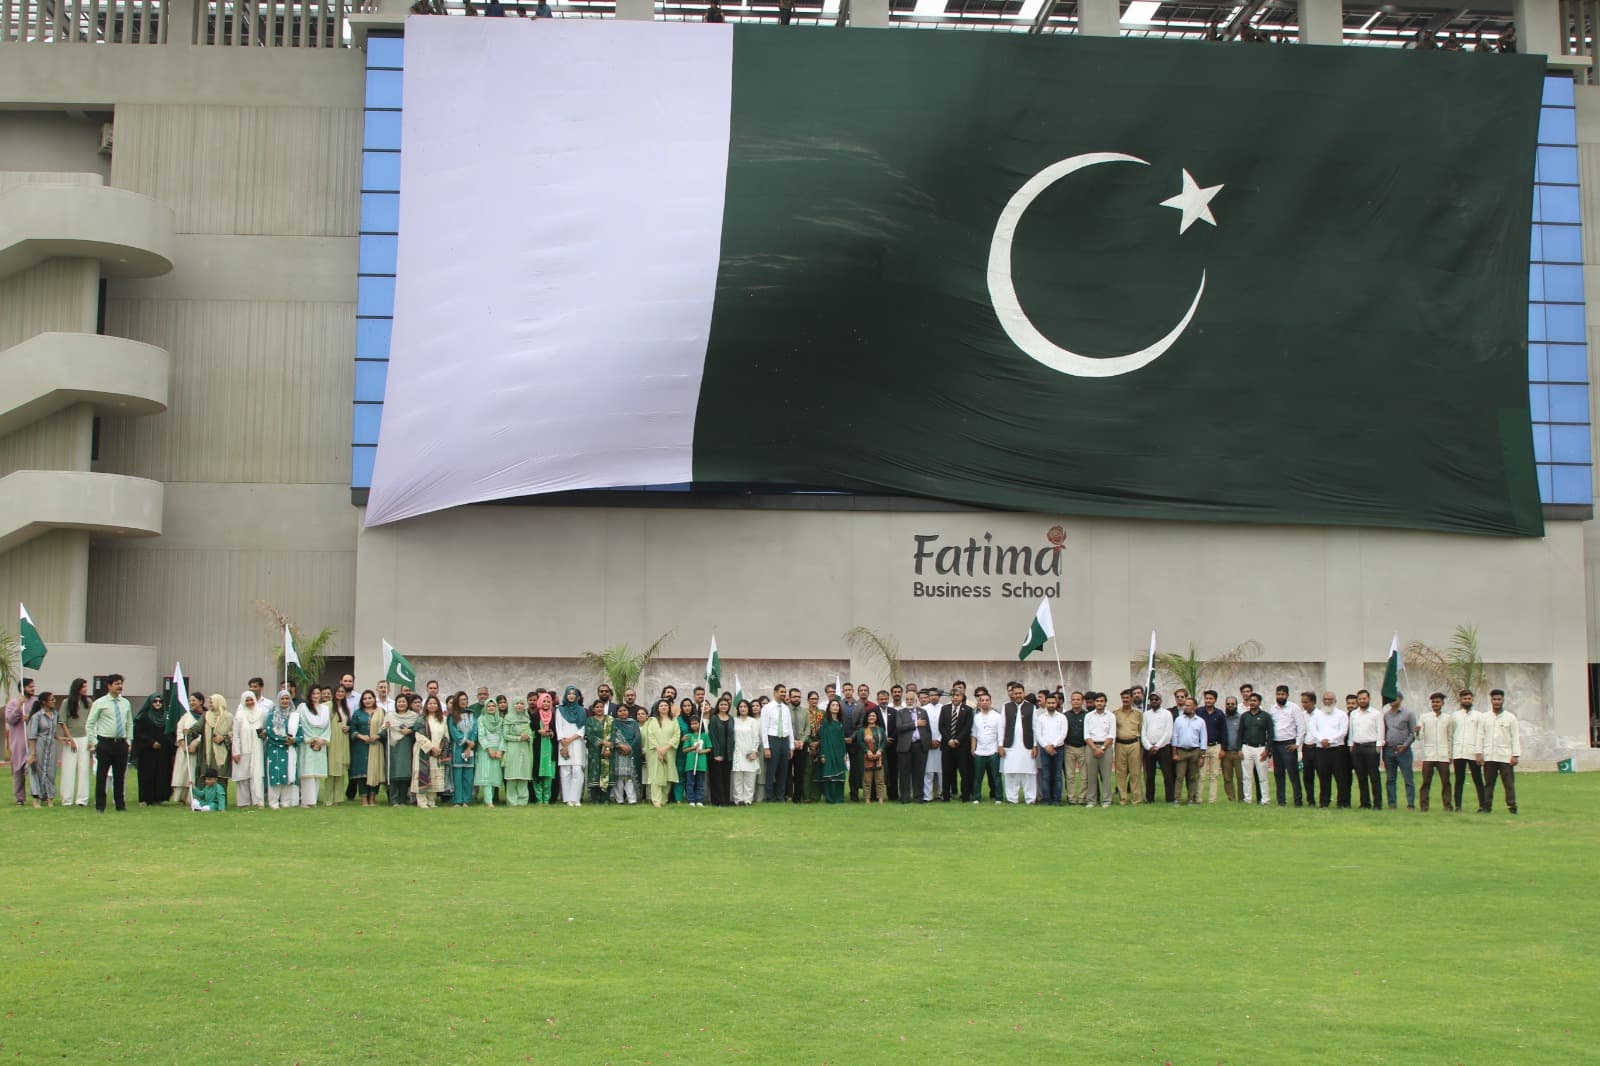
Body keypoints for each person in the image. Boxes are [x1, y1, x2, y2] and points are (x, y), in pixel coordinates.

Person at [84, 675, 133, 813]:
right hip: (105, 742)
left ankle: (120, 804)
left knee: (119, 776)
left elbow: (129, 723)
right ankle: (100, 805)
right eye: (117, 684)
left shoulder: (125, 703)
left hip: (121, 743)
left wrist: (129, 741)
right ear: (109, 685)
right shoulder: (100, 703)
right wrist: (95, 742)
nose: (120, 686)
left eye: (121, 683)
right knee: (102, 776)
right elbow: (90, 724)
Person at [1306, 691, 1349, 809]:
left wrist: (1329, 740)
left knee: (1340, 777)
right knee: (1323, 777)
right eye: (1325, 699)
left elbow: (1343, 731)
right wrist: (1321, 739)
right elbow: (1313, 729)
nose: (1327, 701)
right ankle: (1324, 802)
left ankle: (1342, 802)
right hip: (1321, 750)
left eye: (1330, 699)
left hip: (1337, 749)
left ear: (1335, 701)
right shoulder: (1317, 715)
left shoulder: (1341, 714)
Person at [1479, 688, 1519, 815]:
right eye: (1494, 699)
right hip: (1489, 756)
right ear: (1491, 700)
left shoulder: (1510, 718)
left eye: (1499, 699)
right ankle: (1486, 807)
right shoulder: (1484, 717)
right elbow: (1480, 735)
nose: (1497, 702)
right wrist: (1479, 753)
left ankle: (1512, 807)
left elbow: (1515, 737)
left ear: (1503, 700)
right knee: (1489, 784)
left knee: (1508, 784)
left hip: (1505, 757)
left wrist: (1515, 755)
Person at [1415, 692, 1455, 813]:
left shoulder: (1448, 718)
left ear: (1442, 703)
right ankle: (1424, 806)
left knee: (1446, 782)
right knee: (1426, 782)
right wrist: (1416, 732)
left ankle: (1447, 806)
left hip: (1443, 755)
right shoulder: (1424, 717)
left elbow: (1450, 737)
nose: (1435, 704)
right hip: (1429, 755)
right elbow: (1419, 737)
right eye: (1433, 702)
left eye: (1437, 702)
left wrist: (1450, 754)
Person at [263, 691, 303, 809]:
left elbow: (301, 735)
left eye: (287, 698)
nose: (285, 701)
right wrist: (284, 740)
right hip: (275, 750)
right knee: (275, 775)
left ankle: (285, 802)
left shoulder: (295, 717)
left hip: (290, 750)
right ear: (278, 701)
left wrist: (294, 740)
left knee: (288, 775)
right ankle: (273, 802)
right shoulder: (272, 716)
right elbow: (269, 733)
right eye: (282, 699)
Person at [1450, 690, 1487, 814]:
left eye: (1469, 698)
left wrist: (1479, 753)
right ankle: (1458, 806)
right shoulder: (1455, 716)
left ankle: (1482, 805)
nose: (1467, 700)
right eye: (1465, 698)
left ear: (1472, 700)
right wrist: (1451, 753)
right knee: (1459, 780)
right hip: (1458, 752)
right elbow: (1452, 734)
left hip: (1473, 752)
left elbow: (1481, 735)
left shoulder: (1478, 716)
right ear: (1461, 700)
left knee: (1478, 779)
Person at [57, 678, 93, 807]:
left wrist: (90, 739)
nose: (85, 689)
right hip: (70, 739)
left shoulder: (88, 702)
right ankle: (67, 799)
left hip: (84, 738)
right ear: (77, 688)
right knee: (68, 768)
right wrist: (70, 739)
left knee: (84, 769)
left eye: (86, 686)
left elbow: (91, 721)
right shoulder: (67, 702)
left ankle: (82, 799)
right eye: (83, 686)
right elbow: (62, 722)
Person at [1267, 685, 1304, 807]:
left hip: (1289, 744)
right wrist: (1270, 746)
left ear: (1287, 695)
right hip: (1276, 744)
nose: (1280, 696)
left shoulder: (1294, 708)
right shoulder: (1273, 709)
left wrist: (1297, 744)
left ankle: (1298, 801)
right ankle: (1281, 801)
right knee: (1278, 774)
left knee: (1293, 774)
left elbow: (1301, 726)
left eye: (1282, 694)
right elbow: (1271, 728)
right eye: (1278, 694)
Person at [131, 694, 171, 806]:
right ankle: (145, 798)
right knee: (146, 774)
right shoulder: (144, 717)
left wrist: (163, 743)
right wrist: (151, 742)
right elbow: (139, 733)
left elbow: (169, 733)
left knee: (161, 774)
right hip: (147, 751)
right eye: (155, 701)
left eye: (160, 701)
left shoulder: (166, 717)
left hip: (163, 751)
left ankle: (158, 798)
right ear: (150, 703)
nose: (158, 703)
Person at [999, 684, 1036, 805]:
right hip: (1010, 746)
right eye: (1015, 693)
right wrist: (1000, 745)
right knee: (1010, 773)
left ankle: (1030, 799)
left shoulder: (1031, 707)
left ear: (1024, 693)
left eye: (1020, 693)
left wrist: (1035, 745)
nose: (1018, 695)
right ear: (1012, 694)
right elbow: (1002, 726)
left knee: (1028, 774)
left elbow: (1035, 727)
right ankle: (1011, 799)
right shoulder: (1006, 707)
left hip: (1027, 746)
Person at [411, 696, 450, 809]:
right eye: (430, 703)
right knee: (423, 775)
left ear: (438, 705)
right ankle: (422, 801)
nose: (432, 705)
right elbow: (418, 735)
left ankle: (431, 801)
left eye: (434, 703)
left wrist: (440, 749)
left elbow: (446, 736)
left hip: (438, 752)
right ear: (426, 705)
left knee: (434, 776)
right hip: (423, 751)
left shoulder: (443, 719)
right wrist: (431, 748)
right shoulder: (421, 719)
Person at [1347, 691, 1384, 809]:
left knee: (1374, 777)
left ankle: (1377, 803)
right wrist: (1350, 744)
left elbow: (1381, 730)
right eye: (1360, 699)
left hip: (1371, 747)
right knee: (1361, 777)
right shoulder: (1354, 714)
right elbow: (1351, 730)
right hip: (1357, 747)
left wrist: (1379, 745)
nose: (1362, 701)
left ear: (1369, 699)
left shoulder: (1376, 713)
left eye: (1364, 698)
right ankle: (1365, 803)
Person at [1237, 693, 1274, 806]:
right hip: (1247, 748)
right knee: (1246, 776)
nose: (1252, 702)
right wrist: (1239, 749)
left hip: (1260, 748)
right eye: (1250, 701)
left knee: (1262, 776)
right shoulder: (1244, 716)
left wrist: (1267, 750)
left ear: (1259, 702)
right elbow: (1240, 733)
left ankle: (1265, 799)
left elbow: (1271, 734)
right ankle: (1247, 799)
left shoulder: (1266, 716)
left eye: (1255, 701)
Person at [1382, 693, 1417, 810]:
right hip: (1389, 751)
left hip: (1404, 751)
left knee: (1408, 778)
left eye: (1394, 698)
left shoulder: (1408, 714)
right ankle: (1392, 804)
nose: (1392, 700)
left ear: (1401, 699)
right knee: (1390, 779)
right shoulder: (1386, 715)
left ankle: (1410, 804)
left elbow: (1413, 733)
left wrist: (1405, 745)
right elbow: (1384, 732)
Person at [347, 690, 383, 807]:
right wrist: (361, 736)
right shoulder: (357, 713)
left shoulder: (381, 712)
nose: (367, 700)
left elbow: (385, 728)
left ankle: (372, 797)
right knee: (362, 772)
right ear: (362, 701)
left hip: (376, 745)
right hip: (360, 746)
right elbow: (352, 729)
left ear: (374, 699)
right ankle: (363, 798)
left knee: (374, 770)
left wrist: (377, 736)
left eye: (370, 698)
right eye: (365, 699)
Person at [643, 698, 680, 807]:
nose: (663, 707)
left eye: (665, 705)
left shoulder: (674, 721)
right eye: (661, 706)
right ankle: (656, 801)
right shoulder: (652, 721)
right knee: (656, 776)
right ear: (658, 708)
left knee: (668, 776)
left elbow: (676, 736)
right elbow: (650, 736)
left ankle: (664, 800)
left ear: (669, 708)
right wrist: (659, 749)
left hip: (669, 752)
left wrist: (665, 749)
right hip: (655, 753)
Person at [1169, 697, 1207, 804]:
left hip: (1195, 751)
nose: (1186, 707)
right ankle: (1177, 799)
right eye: (1185, 705)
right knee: (1179, 776)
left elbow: (1203, 739)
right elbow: (1175, 737)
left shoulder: (1200, 721)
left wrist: (1202, 756)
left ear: (1195, 707)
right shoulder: (1178, 720)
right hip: (1181, 751)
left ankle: (1191, 798)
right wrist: (1174, 753)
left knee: (1192, 777)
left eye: (1189, 705)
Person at [555, 686, 588, 807]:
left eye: (574, 694)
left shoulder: (582, 710)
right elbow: (558, 727)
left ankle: (576, 798)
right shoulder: (560, 710)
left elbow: (583, 728)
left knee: (577, 770)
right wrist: (563, 741)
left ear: (577, 697)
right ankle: (568, 799)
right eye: (569, 693)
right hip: (563, 743)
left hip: (577, 742)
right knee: (565, 771)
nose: (571, 696)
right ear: (566, 695)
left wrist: (571, 739)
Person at [1140, 690, 1174, 804]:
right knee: (1150, 775)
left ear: (1160, 701)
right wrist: (1149, 746)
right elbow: (1143, 732)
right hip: (1149, 748)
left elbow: (1168, 732)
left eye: (1156, 699)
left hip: (1163, 747)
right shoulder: (1146, 714)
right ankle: (1150, 798)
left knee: (1167, 774)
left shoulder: (1167, 714)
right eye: (1152, 699)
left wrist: (1158, 746)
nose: (1154, 701)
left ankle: (1169, 798)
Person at [297, 692, 330, 807]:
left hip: (321, 744)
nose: (316, 696)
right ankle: (306, 801)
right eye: (313, 693)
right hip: (308, 744)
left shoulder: (325, 709)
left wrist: (321, 740)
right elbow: (302, 725)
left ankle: (313, 801)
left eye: (318, 693)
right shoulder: (303, 708)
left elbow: (327, 727)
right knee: (308, 773)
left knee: (316, 774)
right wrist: (313, 739)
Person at [939, 688, 973, 802]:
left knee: (964, 772)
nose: (955, 697)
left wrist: (957, 740)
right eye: (953, 695)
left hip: (962, 746)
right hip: (947, 746)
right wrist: (949, 740)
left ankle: (965, 796)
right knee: (947, 771)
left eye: (958, 695)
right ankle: (946, 796)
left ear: (962, 697)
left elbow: (967, 727)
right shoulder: (944, 709)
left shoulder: (968, 710)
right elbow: (941, 726)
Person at [970, 689, 1003, 804]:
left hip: (993, 751)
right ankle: (976, 797)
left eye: (987, 700)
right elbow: (974, 734)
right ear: (979, 702)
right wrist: (973, 748)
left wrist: (1000, 748)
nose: (984, 702)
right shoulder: (976, 717)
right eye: (982, 700)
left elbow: (1000, 734)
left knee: (996, 777)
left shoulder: (998, 716)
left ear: (990, 702)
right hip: (979, 752)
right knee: (977, 777)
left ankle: (998, 797)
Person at [386, 693, 419, 806]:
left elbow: (417, 728)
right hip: (393, 745)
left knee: (405, 773)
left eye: (403, 701)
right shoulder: (390, 716)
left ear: (407, 703)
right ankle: (394, 800)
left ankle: (402, 799)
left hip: (406, 745)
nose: (401, 704)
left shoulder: (413, 716)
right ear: (396, 704)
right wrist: (386, 727)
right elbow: (382, 729)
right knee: (394, 773)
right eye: (399, 702)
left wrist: (410, 731)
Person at [26, 692, 59, 806]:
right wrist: (33, 754)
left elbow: (53, 732)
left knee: (51, 771)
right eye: (52, 699)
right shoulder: (37, 717)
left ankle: (50, 797)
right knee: (37, 771)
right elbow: (32, 736)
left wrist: (63, 738)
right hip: (40, 746)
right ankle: (36, 798)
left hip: (51, 747)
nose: (54, 701)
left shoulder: (55, 715)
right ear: (44, 702)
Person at [1083, 692, 1115, 808]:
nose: (1099, 703)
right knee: (1091, 776)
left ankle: (1106, 800)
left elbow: (1111, 735)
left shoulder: (1111, 716)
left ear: (1105, 703)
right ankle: (1091, 800)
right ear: (1094, 702)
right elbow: (1086, 735)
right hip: (1091, 747)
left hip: (1106, 747)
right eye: (1097, 701)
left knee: (1106, 775)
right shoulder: (1089, 716)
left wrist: (1102, 748)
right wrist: (1094, 748)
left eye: (1102, 701)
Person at [1035, 692, 1067, 806]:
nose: (1051, 705)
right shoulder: (1041, 718)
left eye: (1053, 702)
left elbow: (1063, 734)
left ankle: (1056, 799)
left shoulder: (1062, 717)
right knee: (1045, 775)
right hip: (1044, 749)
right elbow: (1038, 734)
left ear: (1056, 703)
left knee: (1057, 775)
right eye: (1049, 703)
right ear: (1046, 703)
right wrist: (1046, 746)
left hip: (1058, 749)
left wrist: (1053, 745)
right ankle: (1046, 799)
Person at [5, 679, 33, 806]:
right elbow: (10, 720)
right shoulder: (13, 703)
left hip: (33, 740)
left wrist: (30, 718)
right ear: (23, 688)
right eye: (30, 687)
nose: (33, 689)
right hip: (19, 741)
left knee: (36, 768)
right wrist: (18, 707)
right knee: (18, 770)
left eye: (34, 686)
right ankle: (20, 798)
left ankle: (40, 795)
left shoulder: (36, 702)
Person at [815, 698, 849, 804]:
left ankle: (839, 798)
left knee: (840, 775)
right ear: (829, 708)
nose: (835, 707)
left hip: (839, 752)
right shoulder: (825, 722)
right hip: (829, 751)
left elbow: (842, 739)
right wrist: (823, 754)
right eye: (833, 705)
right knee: (830, 774)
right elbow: (823, 739)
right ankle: (830, 798)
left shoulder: (840, 722)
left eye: (837, 705)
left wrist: (844, 753)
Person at [171, 693, 202, 807]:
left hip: (198, 750)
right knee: (183, 773)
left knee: (194, 773)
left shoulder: (205, 716)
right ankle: (180, 797)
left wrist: (196, 743)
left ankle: (192, 797)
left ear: (201, 702)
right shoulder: (186, 716)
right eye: (190, 700)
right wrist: (183, 745)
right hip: (184, 751)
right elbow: (180, 730)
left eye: (194, 700)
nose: (191, 703)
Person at [500, 696, 532, 806]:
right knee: (512, 776)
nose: (519, 705)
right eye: (517, 703)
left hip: (525, 749)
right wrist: (518, 738)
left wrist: (528, 736)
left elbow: (531, 734)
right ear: (513, 705)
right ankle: (512, 801)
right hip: (512, 749)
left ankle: (523, 801)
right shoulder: (508, 718)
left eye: (521, 703)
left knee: (523, 776)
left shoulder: (526, 718)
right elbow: (505, 735)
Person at [1112, 689, 1142, 805]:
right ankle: (1123, 798)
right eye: (1123, 698)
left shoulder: (1138, 714)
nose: (1125, 700)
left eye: (1127, 698)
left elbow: (1141, 729)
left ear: (1132, 699)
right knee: (1120, 773)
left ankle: (1136, 798)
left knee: (1135, 773)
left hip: (1134, 744)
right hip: (1120, 744)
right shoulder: (1115, 714)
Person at [1197, 691, 1225, 803]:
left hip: (1216, 746)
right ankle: (1198, 798)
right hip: (1202, 747)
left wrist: (1223, 749)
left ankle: (1212, 800)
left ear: (1215, 700)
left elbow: (1223, 732)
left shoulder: (1219, 714)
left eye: (1211, 698)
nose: (1208, 700)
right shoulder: (1199, 712)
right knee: (1201, 774)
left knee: (1214, 775)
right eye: (1206, 698)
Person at [850, 704, 881, 804]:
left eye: (873, 716)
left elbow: (884, 741)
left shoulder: (880, 730)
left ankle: (879, 798)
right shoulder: (861, 730)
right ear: (866, 718)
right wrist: (867, 751)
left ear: (876, 718)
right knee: (867, 779)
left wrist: (880, 750)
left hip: (878, 756)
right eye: (870, 716)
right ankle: (867, 798)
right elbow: (859, 741)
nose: (871, 718)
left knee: (879, 778)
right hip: (865, 756)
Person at [584, 698, 613, 805]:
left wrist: (608, 747)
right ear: (594, 709)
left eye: (601, 707)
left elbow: (613, 734)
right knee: (594, 772)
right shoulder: (590, 721)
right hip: (594, 751)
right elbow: (589, 735)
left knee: (606, 771)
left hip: (608, 751)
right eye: (597, 707)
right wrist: (602, 742)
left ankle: (606, 798)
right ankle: (595, 798)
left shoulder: (609, 720)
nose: (599, 709)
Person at [448, 697, 476, 806]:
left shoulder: (472, 715)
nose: (463, 702)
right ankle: (457, 800)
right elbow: (453, 731)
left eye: (465, 700)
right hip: (458, 747)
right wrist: (465, 741)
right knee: (457, 775)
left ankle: (466, 800)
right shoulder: (452, 716)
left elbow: (474, 730)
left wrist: (470, 745)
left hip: (470, 748)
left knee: (468, 775)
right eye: (461, 700)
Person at [611, 704, 641, 805]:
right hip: (617, 752)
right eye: (620, 711)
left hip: (630, 753)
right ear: (617, 713)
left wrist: (629, 748)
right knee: (618, 777)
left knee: (629, 777)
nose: (622, 712)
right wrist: (620, 746)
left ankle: (632, 799)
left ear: (628, 712)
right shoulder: (613, 723)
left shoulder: (633, 723)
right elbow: (611, 736)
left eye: (624, 710)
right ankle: (619, 799)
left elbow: (637, 737)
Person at [1296, 691, 1322, 806]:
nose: (1303, 704)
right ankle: (1310, 800)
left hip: (1318, 748)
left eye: (1306, 702)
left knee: (1322, 775)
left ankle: (1323, 799)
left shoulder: (1321, 715)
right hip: (1307, 748)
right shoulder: (1302, 715)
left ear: (1313, 702)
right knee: (1307, 776)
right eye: (1302, 702)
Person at [532, 690, 558, 804]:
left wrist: (551, 733)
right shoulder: (535, 715)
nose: (546, 703)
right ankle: (539, 799)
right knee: (538, 774)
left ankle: (546, 799)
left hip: (550, 747)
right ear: (540, 702)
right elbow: (531, 730)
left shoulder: (555, 715)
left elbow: (558, 731)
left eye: (548, 701)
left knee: (549, 775)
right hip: (538, 748)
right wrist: (539, 731)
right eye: (544, 701)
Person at [326, 684, 351, 805]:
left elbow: (347, 722)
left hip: (343, 739)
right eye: (338, 691)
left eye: (342, 691)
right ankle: (329, 799)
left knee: (341, 770)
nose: (340, 693)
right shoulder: (328, 706)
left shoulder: (346, 708)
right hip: (332, 739)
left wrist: (348, 728)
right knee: (332, 770)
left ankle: (338, 798)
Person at [707, 693, 733, 807]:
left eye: (726, 704)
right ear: (718, 706)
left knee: (726, 778)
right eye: (721, 704)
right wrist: (716, 754)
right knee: (717, 779)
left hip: (729, 754)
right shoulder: (714, 718)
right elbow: (713, 736)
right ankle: (718, 801)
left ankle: (726, 801)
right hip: (717, 754)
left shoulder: (731, 719)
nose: (723, 706)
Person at [1218, 696, 1244, 802]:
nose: (1230, 706)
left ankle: (1242, 798)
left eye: (1232, 704)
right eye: (1228, 704)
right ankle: (1231, 798)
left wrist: (1241, 749)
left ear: (1236, 705)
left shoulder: (1241, 718)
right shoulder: (1222, 718)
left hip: (1238, 752)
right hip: (1226, 753)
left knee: (1240, 778)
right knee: (1227, 778)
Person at [681, 710, 709, 806]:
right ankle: (691, 800)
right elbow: (684, 750)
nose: (694, 725)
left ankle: (699, 800)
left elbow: (709, 748)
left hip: (701, 764)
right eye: (692, 724)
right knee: (690, 783)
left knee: (700, 783)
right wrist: (693, 748)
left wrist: (702, 751)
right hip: (690, 764)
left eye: (696, 723)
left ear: (700, 724)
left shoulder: (704, 736)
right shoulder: (689, 736)